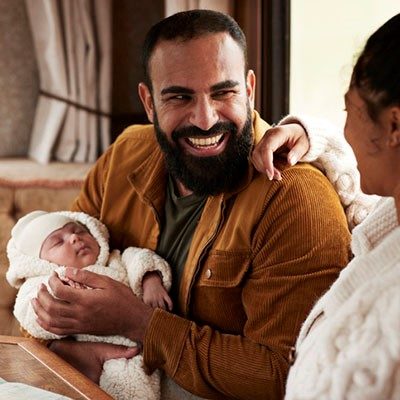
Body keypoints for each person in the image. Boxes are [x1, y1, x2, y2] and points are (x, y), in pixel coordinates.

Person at [30, 10, 357, 399]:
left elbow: (286, 376)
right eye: (180, 97)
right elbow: (40, 272)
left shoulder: (295, 198)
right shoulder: (124, 156)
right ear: (149, 102)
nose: (205, 119)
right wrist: (59, 346)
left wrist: (142, 324)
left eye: (223, 92)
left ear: (250, 89)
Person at [253, 13, 400, 400]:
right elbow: (363, 202)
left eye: (349, 110)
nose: (345, 129)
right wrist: (309, 136)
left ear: (394, 127)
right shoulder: (388, 222)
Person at [7, 210, 172, 400]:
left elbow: (141, 258)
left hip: (138, 354)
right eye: (58, 242)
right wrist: (59, 295)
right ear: (40, 262)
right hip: (83, 362)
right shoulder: (45, 281)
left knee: (136, 387)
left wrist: (151, 280)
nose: (75, 238)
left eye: (78, 230)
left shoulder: (114, 259)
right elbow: (27, 311)